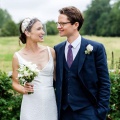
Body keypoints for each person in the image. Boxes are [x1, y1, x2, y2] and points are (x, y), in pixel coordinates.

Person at [54, 6, 110, 120]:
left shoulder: (96, 48)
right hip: (64, 113)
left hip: (89, 112)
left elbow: (104, 82)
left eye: (62, 24)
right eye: (58, 23)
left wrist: (100, 112)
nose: (58, 27)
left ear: (75, 25)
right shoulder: (57, 49)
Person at [12, 17, 57, 120]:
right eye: (39, 29)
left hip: (50, 103)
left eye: (42, 28)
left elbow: (58, 78)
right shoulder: (17, 56)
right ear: (27, 33)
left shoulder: (51, 52)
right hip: (30, 104)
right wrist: (23, 89)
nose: (43, 32)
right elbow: (15, 83)